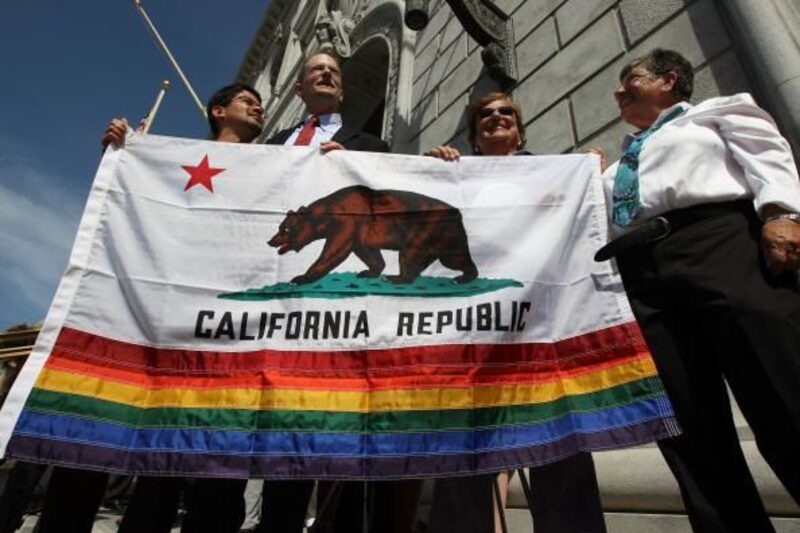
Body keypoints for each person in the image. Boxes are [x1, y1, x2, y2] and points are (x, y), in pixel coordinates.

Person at [39, 83, 265, 533]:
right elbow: (124, 215)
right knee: (125, 453)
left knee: (209, 469)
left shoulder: (273, 168)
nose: (258, 106)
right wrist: (126, 156)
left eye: (260, 103)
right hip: (157, 325)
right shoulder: (174, 161)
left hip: (224, 336)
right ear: (218, 111)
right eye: (247, 100)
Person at [594, 48, 800, 532]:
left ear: (669, 80)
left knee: (780, 385)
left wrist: (781, 213)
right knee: (685, 419)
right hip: (640, 275)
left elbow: (768, 155)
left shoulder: (716, 113)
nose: (619, 90)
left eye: (631, 79)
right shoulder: (615, 165)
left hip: (719, 247)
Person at [256, 48, 424, 533]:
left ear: (343, 90)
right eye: (316, 70)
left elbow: (396, 198)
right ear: (299, 89)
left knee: (340, 424)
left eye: (333, 71)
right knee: (284, 426)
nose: (327, 74)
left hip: (345, 310)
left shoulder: (370, 143)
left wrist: (357, 169)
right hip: (280, 305)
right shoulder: (273, 148)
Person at [424, 92, 607, 533]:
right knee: (465, 440)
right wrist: (428, 172)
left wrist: (590, 176)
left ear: (520, 128)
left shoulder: (554, 173)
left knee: (558, 440)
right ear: (472, 134)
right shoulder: (453, 177)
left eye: (506, 113)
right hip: (471, 326)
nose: (496, 118)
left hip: (541, 323)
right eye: (484, 115)